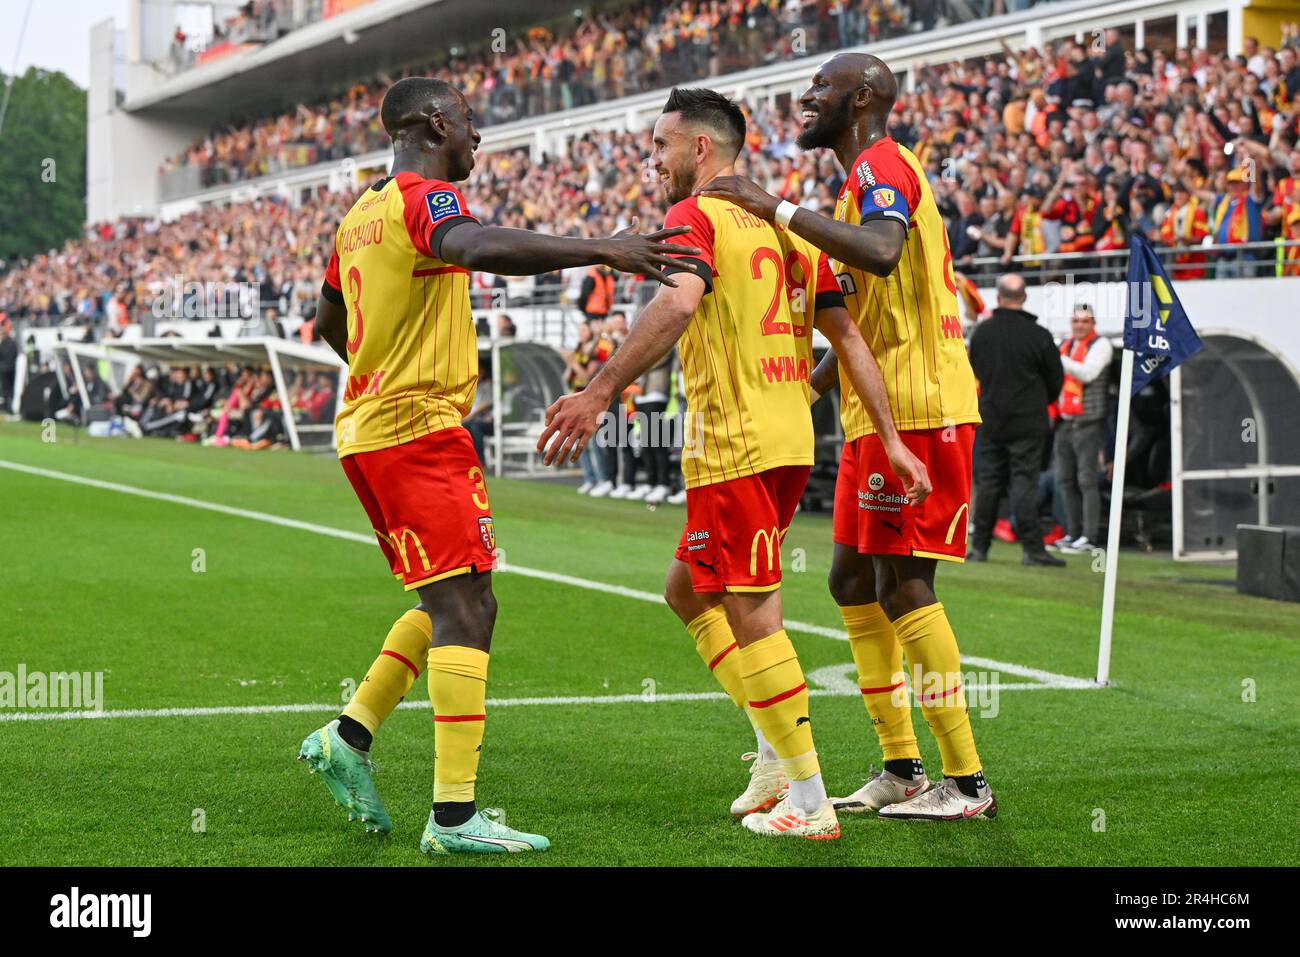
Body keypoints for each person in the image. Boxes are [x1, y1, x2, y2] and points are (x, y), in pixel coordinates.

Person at [302, 76, 699, 856]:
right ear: (436, 121)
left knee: (454, 594)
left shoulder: (359, 215)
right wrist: (602, 247)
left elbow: (327, 319)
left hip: (373, 425)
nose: (478, 135)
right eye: (472, 120)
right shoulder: (423, 198)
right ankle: (452, 817)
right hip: (414, 427)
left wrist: (378, 365)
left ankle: (348, 737)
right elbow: (477, 246)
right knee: (468, 607)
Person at [538, 86, 928, 840]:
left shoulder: (696, 215)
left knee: (753, 611)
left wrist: (599, 389)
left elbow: (681, 302)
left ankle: (809, 797)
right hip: (787, 436)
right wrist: (890, 437)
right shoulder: (787, 227)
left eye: (660, 145)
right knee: (688, 589)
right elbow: (846, 342)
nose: (652, 160)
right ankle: (773, 752)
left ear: (701, 149)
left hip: (735, 440)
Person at [702, 51, 998, 822]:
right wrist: (811, 387)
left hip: (922, 407)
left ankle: (965, 782)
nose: (806, 98)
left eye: (821, 89)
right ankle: (901, 765)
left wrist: (777, 210)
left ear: (863, 97)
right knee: (847, 580)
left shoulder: (881, 167)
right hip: (879, 413)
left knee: (905, 584)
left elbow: (883, 249)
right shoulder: (855, 181)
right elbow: (859, 326)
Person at [967, 274, 1067, 567]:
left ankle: (980, 547)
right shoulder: (1039, 335)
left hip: (992, 418)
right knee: (1024, 482)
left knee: (989, 482)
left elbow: (976, 370)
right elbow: (1055, 381)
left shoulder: (982, 334)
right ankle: (1033, 550)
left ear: (998, 297)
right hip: (1028, 420)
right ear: (1024, 298)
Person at [1054, 304, 1113, 555]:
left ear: (1093, 323)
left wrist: (1059, 359)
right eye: (1075, 321)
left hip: (1089, 420)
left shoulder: (1101, 345)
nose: (1079, 325)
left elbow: (1088, 374)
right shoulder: (1067, 345)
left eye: (1085, 321)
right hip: (1065, 419)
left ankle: (1089, 536)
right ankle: (1073, 532)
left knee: (1087, 479)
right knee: (1065, 479)